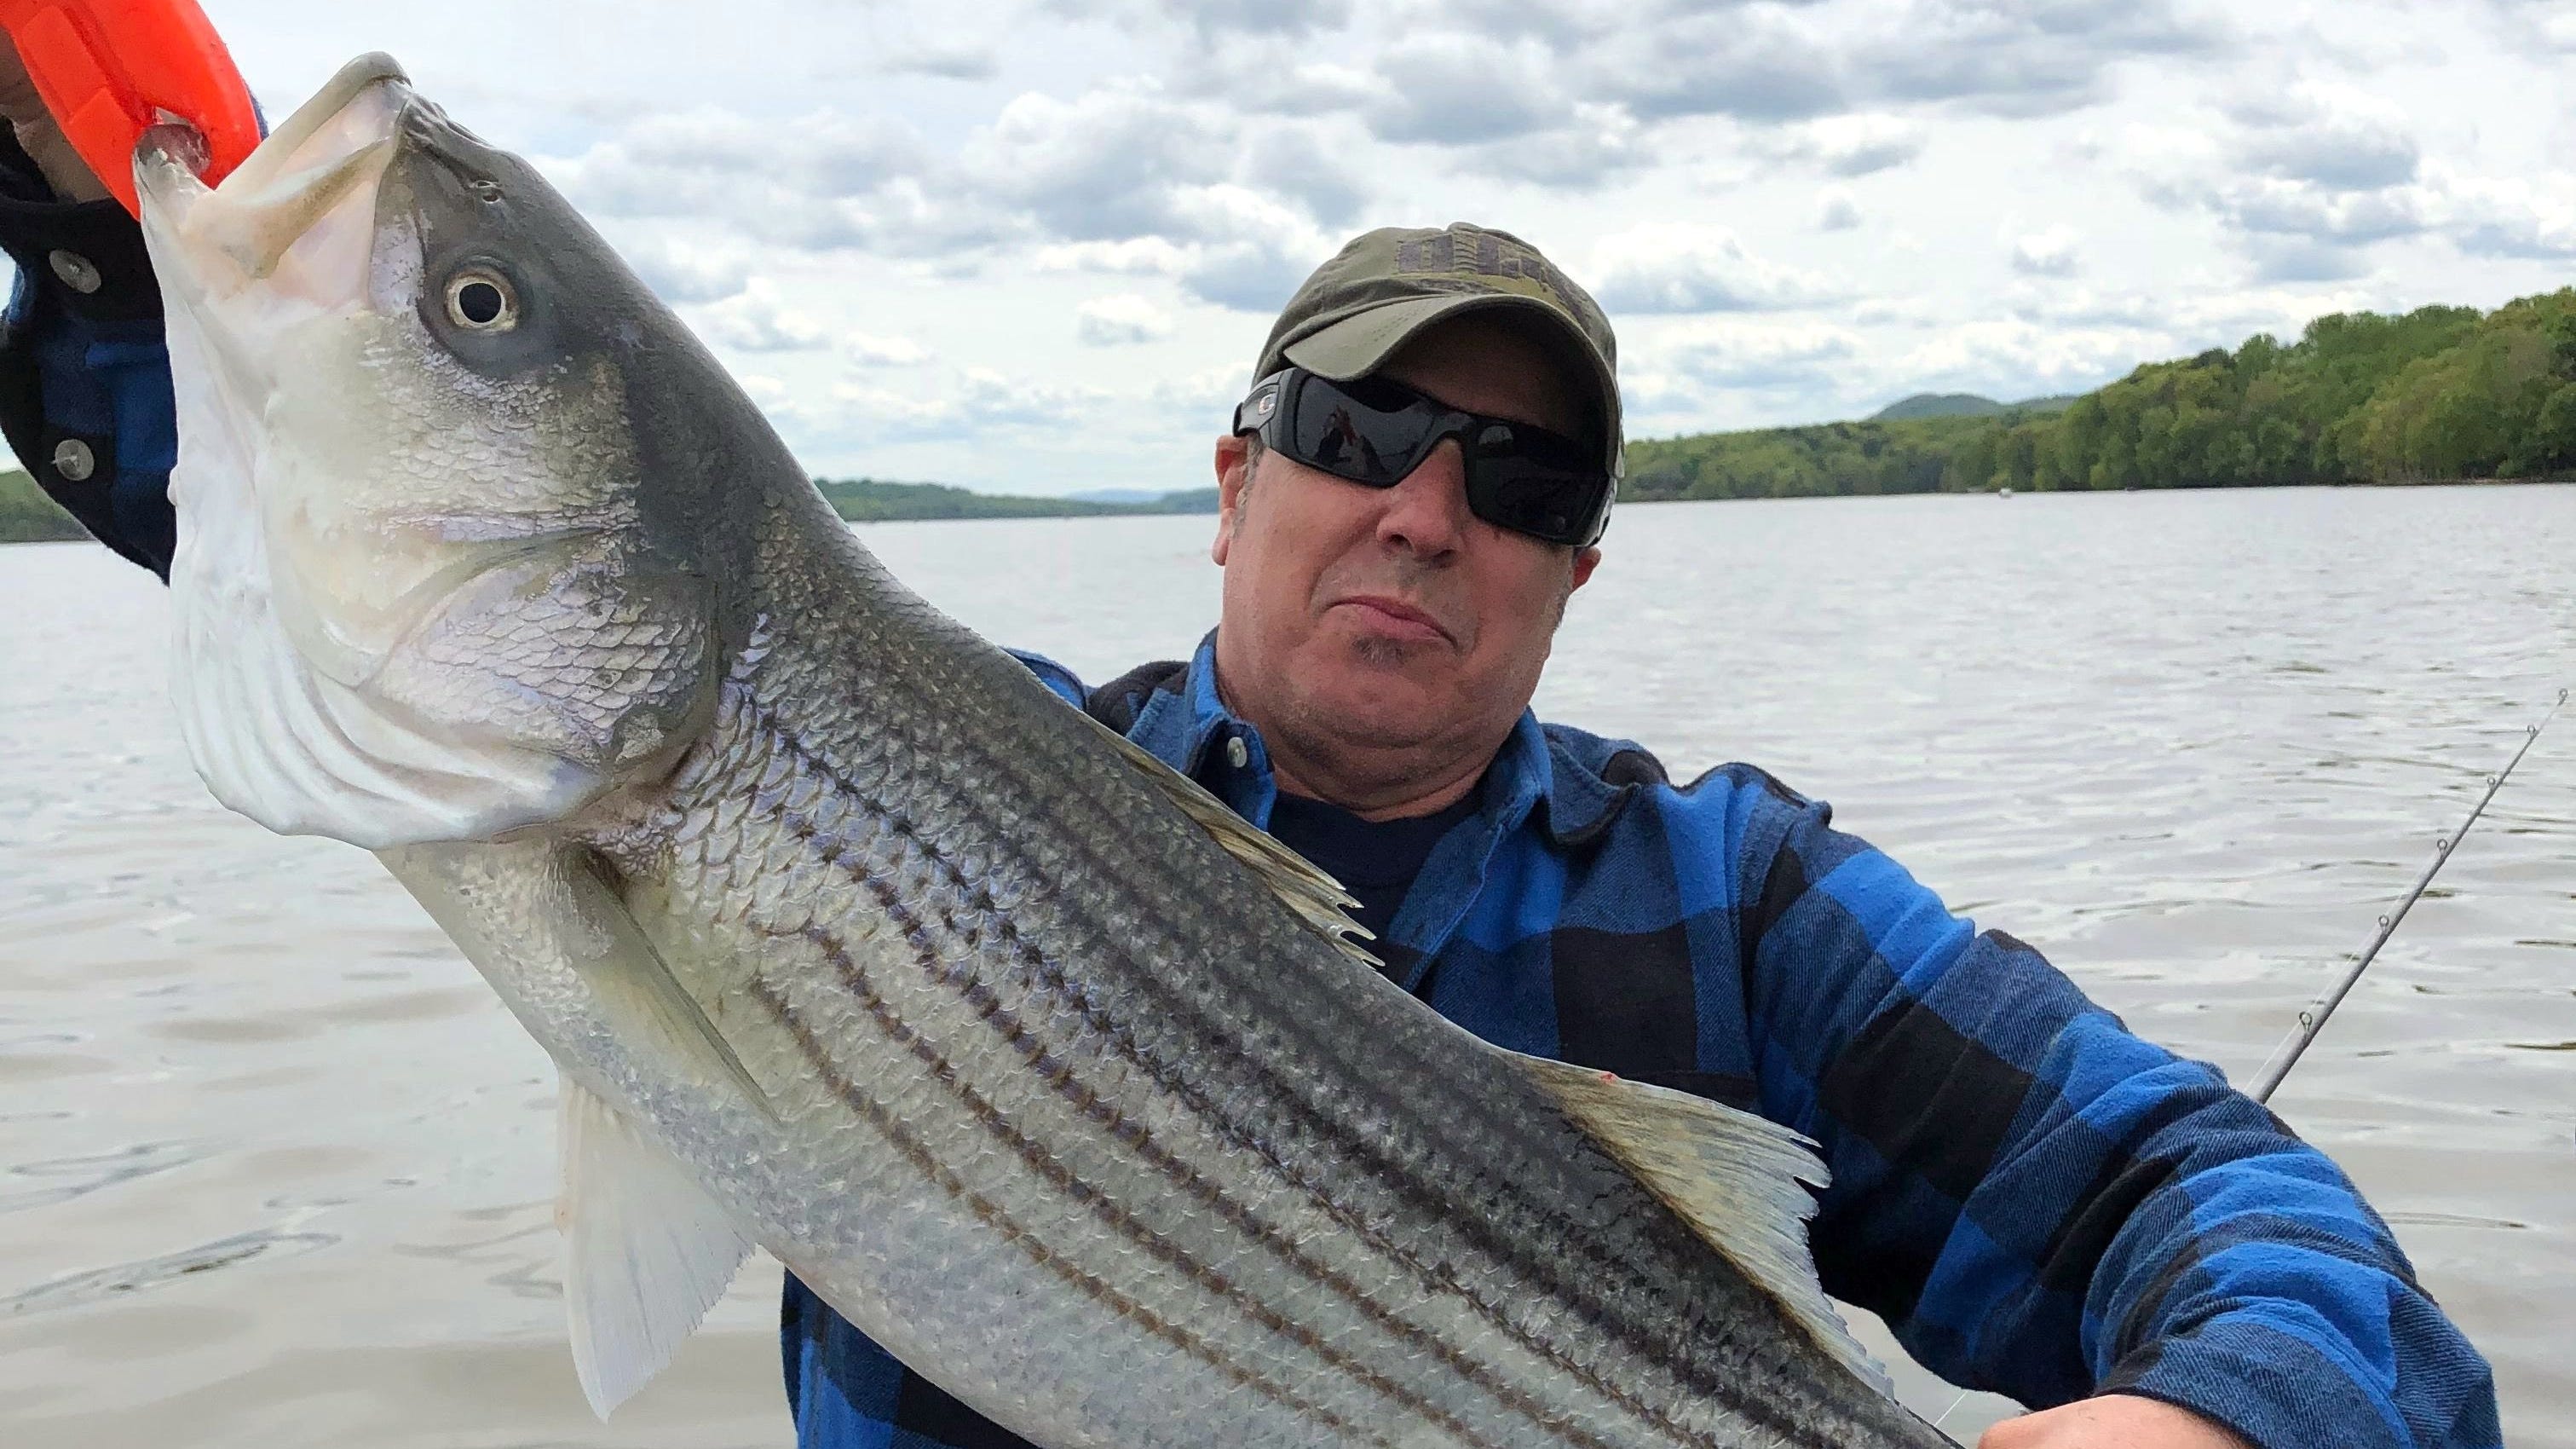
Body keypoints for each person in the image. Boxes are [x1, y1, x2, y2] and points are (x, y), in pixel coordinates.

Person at [0, 51, 2499, 1449]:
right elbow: (280, 483)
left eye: (1520, 475)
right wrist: (114, 226)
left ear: (1577, 564)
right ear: (1231, 474)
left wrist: (2225, 1423)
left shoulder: (1737, 900)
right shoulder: (947, 763)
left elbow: (2264, 1232)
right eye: (1361, 421)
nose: (1429, 506)